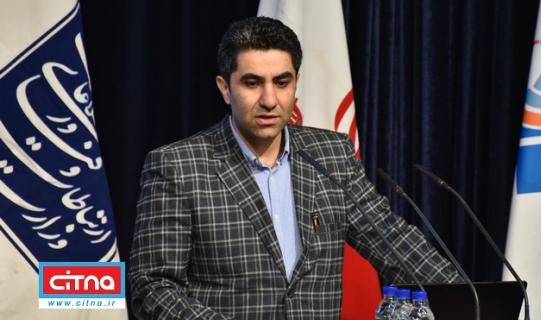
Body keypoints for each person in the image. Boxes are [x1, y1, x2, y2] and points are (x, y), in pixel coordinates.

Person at [127, 17, 459, 319]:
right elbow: (152, 286)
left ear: (296, 83)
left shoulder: (331, 156)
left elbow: (393, 244)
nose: (269, 100)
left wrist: (466, 299)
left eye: (282, 82)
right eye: (252, 83)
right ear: (225, 88)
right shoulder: (177, 166)